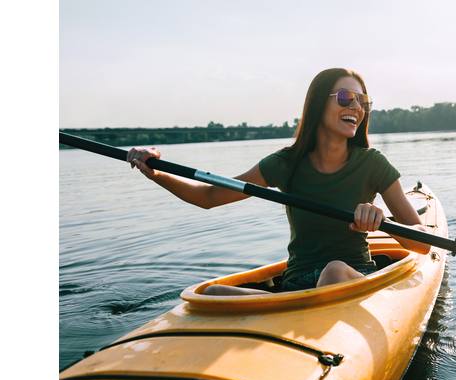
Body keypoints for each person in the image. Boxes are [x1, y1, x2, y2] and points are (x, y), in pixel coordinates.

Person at [126, 68, 431, 295]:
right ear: (317, 104)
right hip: (295, 285)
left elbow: (421, 243)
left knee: (334, 270)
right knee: (209, 292)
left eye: (363, 101)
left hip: (350, 278)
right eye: (345, 97)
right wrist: (155, 171)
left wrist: (380, 221)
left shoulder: (373, 163)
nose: (356, 107)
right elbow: (208, 196)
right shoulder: (285, 164)